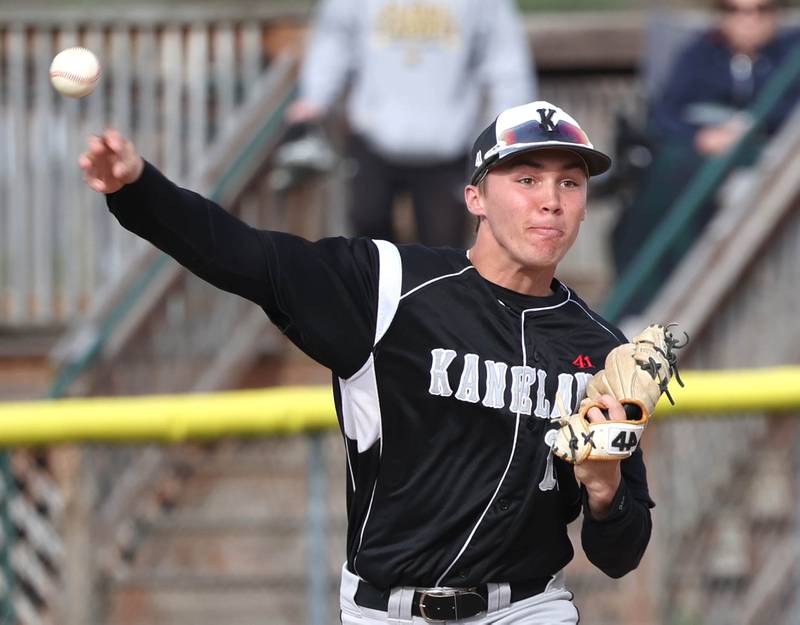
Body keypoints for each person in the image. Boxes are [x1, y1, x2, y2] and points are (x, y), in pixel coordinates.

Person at [79, 100, 653, 624]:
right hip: (387, 611)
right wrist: (137, 190)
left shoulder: (601, 348)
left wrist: (605, 494)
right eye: (526, 179)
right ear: (475, 196)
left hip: (526, 609)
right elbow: (245, 256)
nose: (550, 199)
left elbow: (620, 555)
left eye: (569, 183)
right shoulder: (389, 288)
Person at [285, 0, 535, 248]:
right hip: (372, 136)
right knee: (368, 242)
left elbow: (505, 58)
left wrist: (512, 126)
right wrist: (314, 99)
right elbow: (333, 40)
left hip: (448, 144)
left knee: (445, 251)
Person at [610, 0, 800, 316]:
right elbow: (664, 113)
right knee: (658, 188)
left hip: (760, 154)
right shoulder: (700, 53)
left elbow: (788, 115)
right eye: (735, 10)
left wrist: (746, 130)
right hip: (694, 150)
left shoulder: (790, 56)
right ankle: (641, 303)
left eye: (760, 10)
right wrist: (700, 137)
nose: (747, 20)